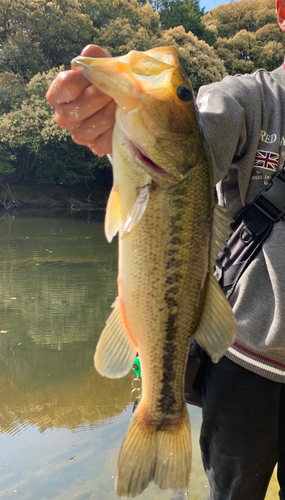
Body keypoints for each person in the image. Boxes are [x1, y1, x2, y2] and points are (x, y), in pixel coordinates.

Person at [46, 1, 285, 498]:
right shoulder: (243, 100)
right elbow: (194, 138)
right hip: (248, 367)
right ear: (282, 12)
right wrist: (112, 120)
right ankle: (160, 416)